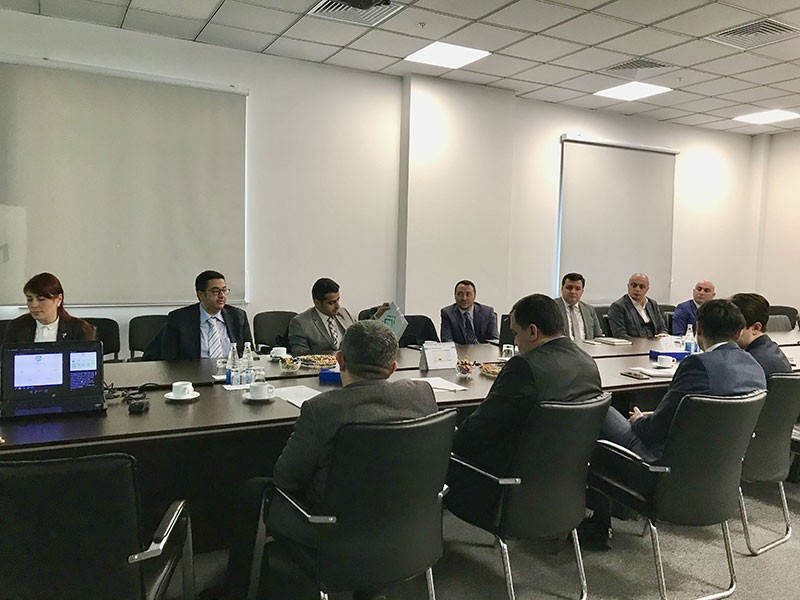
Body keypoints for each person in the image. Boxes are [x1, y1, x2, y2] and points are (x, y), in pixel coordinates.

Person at [221, 321, 438, 599]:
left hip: (332, 528)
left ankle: (235, 589)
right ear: (393, 367)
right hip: (405, 521)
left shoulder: (321, 410)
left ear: (340, 360)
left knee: (254, 489)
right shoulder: (422, 395)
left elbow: (285, 479)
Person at [444, 294, 602, 530]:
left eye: (516, 333)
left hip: (506, 488)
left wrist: (446, 443)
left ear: (533, 332)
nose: (516, 342)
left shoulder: (524, 367)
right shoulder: (588, 362)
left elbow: (481, 428)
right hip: (564, 489)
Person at [601, 299, 766, 463]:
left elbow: (655, 430)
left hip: (664, 463)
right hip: (724, 464)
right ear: (739, 333)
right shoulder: (754, 365)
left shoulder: (698, 365)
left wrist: (638, 421)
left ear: (698, 328)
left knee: (602, 408)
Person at [160, 270, 252, 360]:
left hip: (230, 369)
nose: (222, 295)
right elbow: (169, 359)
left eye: (224, 290)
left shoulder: (238, 316)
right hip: (193, 369)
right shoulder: (179, 319)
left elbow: (249, 353)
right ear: (201, 295)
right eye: (216, 291)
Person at [288, 277, 387, 355]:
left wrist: (377, 316)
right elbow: (301, 355)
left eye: (338, 300)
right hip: (321, 370)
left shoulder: (343, 312)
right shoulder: (300, 323)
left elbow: (360, 333)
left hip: (350, 367)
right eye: (331, 303)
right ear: (317, 303)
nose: (337, 306)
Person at [2, 272, 94, 343]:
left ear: (59, 299)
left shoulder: (79, 329)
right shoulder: (17, 327)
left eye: (41, 299)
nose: (34, 305)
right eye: (29, 299)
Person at [730, 293, 792, 377]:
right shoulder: (771, 349)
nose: (727, 333)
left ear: (756, 328)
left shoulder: (749, 362)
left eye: (733, 327)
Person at [607, 273, 669, 339]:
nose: (637, 289)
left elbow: (662, 328)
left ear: (647, 289)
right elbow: (620, 335)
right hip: (633, 344)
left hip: (654, 343)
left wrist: (663, 334)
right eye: (634, 285)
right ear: (628, 286)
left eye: (642, 287)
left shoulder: (652, 304)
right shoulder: (618, 306)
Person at [440, 280, 499, 344]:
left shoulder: (487, 312)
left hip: (483, 349)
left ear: (474, 295)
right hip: (459, 350)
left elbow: (494, 339)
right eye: (460, 294)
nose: (464, 298)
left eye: (468, 294)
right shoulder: (447, 313)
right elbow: (447, 341)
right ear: (455, 295)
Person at [554, 272, 603, 341]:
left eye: (577, 289)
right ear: (562, 289)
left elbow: (598, 336)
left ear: (582, 291)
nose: (573, 292)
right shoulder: (552, 307)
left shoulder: (589, 309)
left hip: (587, 347)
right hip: (563, 347)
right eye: (569, 288)